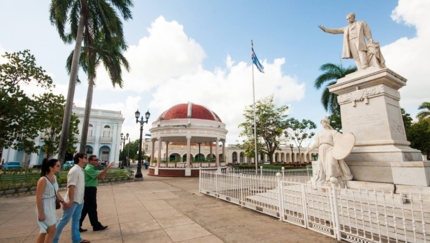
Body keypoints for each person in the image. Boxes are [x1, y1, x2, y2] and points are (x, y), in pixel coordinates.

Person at [318, 12, 385, 71]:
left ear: (353, 17)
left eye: (349, 18)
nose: (348, 20)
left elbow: (367, 31)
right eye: (347, 19)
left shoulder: (361, 23)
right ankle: (360, 68)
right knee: (355, 56)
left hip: (359, 40)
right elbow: (336, 31)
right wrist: (325, 30)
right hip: (351, 42)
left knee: (361, 52)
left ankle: (365, 66)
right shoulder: (346, 28)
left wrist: (369, 38)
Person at [53, 153, 90, 243]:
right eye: (85, 157)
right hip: (73, 200)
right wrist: (70, 200)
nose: (86, 158)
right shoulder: (74, 170)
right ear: (79, 159)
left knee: (76, 220)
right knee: (64, 220)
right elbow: (71, 186)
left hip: (79, 199)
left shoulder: (80, 170)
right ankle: (53, 240)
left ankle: (76, 239)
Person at [307, 117, 353, 187]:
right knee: (321, 166)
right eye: (322, 122)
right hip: (321, 150)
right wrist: (309, 150)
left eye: (324, 122)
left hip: (330, 148)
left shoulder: (333, 132)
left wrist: (348, 135)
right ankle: (324, 179)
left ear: (328, 123)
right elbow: (316, 144)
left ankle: (331, 179)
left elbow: (341, 138)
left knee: (331, 162)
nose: (323, 124)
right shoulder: (319, 133)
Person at [79, 155, 115, 232]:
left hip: (91, 189)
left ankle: (78, 225)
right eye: (95, 160)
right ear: (90, 161)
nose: (97, 161)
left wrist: (102, 173)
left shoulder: (92, 168)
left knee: (86, 209)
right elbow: (100, 176)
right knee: (92, 208)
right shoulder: (89, 169)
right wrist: (107, 167)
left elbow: (101, 177)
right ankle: (96, 225)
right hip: (89, 189)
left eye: (97, 159)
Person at [35, 158, 65, 243]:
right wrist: (41, 213)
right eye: (57, 166)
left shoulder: (54, 178)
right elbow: (38, 197)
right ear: (51, 167)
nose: (59, 167)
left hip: (51, 204)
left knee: (46, 231)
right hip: (45, 205)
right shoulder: (43, 180)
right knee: (50, 229)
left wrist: (62, 201)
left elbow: (56, 191)